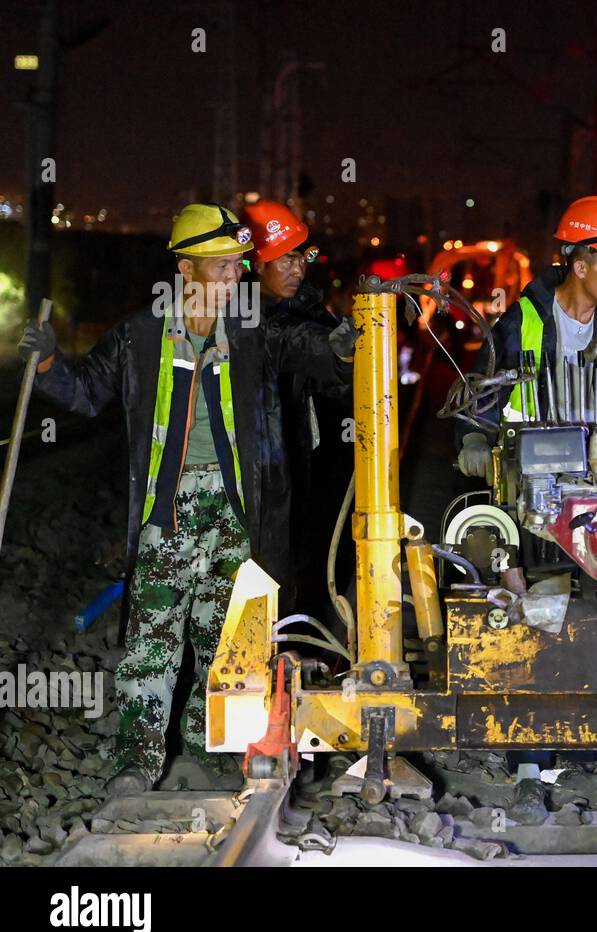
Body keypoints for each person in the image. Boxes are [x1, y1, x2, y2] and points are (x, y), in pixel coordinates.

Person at [18, 202, 357, 794]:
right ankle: (137, 761)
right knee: (152, 641)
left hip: (237, 513)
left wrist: (347, 347)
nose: (235, 280)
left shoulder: (257, 330)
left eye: (238, 268)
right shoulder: (142, 335)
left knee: (225, 644)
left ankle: (209, 753)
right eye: (222, 268)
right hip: (167, 510)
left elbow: (315, 354)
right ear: (186, 270)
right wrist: (47, 361)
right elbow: (87, 392)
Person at [453, 195, 597, 477]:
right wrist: (473, 438)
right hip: (530, 471)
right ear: (581, 268)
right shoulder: (524, 318)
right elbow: (483, 385)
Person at [243, 199, 352, 620]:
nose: (299, 269)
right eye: (284, 261)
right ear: (256, 264)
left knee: (297, 565)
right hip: (261, 479)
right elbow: (295, 341)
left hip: (300, 467)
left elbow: (324, 358)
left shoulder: (303, 305)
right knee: (268, 576)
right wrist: (335, 352)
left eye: (301, 258)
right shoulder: (246, 317)